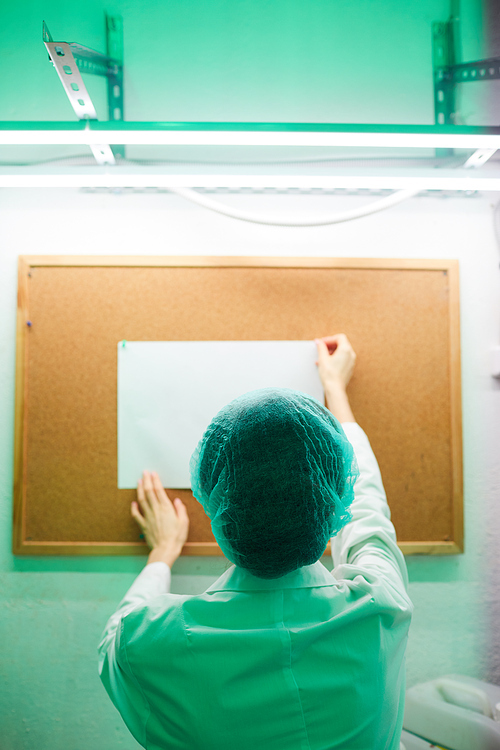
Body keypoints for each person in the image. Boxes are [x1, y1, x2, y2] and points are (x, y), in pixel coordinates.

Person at [98, 334, 413, 750]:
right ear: (336, 495)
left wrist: (161, 555)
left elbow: (116, 637)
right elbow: (369, 512)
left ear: (214, 498)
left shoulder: (150, 644)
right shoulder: (381, 607)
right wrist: (333, 389)